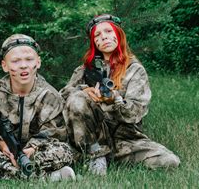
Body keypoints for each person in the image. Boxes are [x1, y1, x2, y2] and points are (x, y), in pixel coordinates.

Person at [60, 14, 180, 175]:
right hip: (93, 137)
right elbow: (63, 95)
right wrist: (84, 91)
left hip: (125, 139)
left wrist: (114, 99)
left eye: (108, 31)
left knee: (169, 161)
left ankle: (106, 158)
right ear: (94, 42)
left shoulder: (134, 69)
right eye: (97, 35)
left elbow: (135, 112)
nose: (104, 37)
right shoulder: (86, 69)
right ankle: (95, 155)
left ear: (118, 34)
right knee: (77, 99)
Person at [0, 34, 75, 181]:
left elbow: (55, 134)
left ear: (38, 62)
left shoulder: (49, 96)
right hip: (4, 153)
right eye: (15, 61)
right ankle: (47, 176)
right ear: (4, 65)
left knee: (64, 151)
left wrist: (32, 148)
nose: (23, 65)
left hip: (36, 153)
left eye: (29, 59)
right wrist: (1, 144)